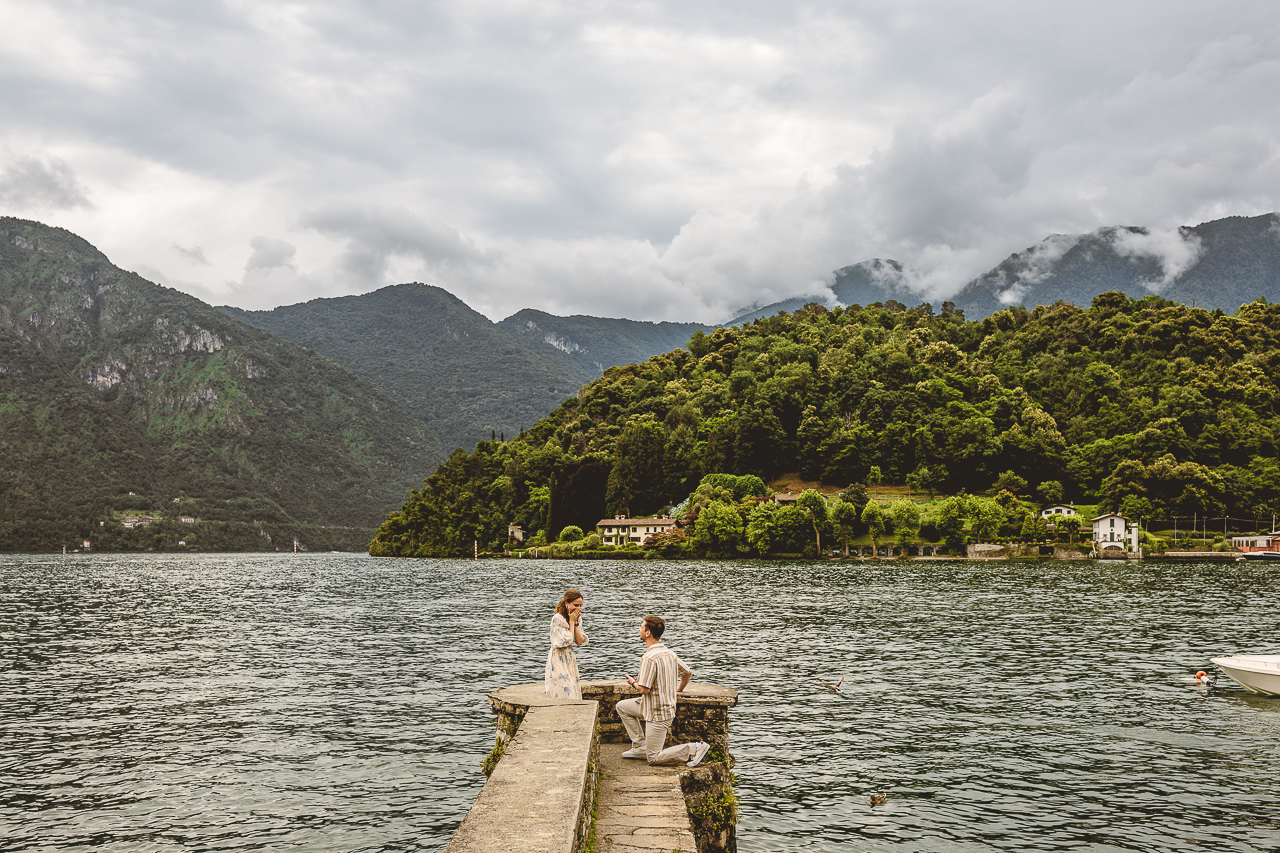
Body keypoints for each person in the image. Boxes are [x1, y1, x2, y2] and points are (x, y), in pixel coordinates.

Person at [616, 614, 711, 767]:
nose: (639, 629)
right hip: (656, 706)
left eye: (641, 626)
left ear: (648, 633)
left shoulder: (649, 658)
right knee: (622, 707)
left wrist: (632, 682)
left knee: (654, 758)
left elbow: (644, 689)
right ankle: (641, 746)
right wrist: (678, 689)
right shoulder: (670, 653)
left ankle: (695, 748)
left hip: (658, 713)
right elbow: (687, 672)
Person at [545, 589, 588, 699]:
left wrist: (576, 622)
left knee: (572, 690)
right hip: (558, 658)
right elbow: (567, 643)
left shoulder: (576, 618)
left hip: (569, 658)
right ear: (566, 603)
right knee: (563, 691)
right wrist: (571, 622)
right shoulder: (558, 619)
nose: (579, 608)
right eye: (576, 605)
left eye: (580, 605)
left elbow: (579, 641)